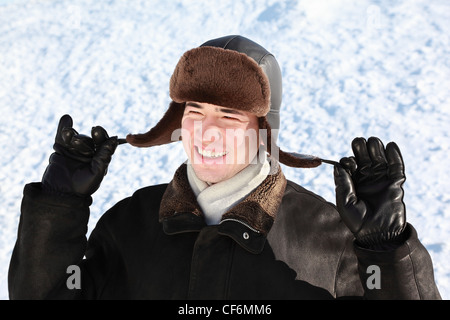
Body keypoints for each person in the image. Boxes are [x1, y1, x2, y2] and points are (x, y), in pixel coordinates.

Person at [8, 35, 441, 300]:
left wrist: (387, 250)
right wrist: (59, 208)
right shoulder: (130, 222)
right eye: (195, 110)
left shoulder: (329, 236)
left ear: (263, 129)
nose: (205, 132)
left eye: (230, 116)